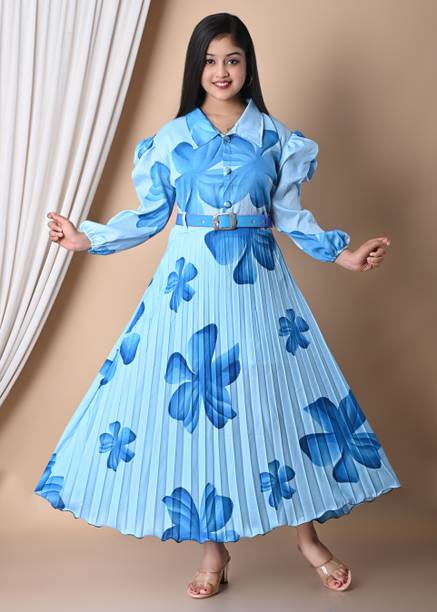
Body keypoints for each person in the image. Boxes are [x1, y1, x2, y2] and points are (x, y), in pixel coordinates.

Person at [41, 12, 400, 600]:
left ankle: (308, 540)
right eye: (210, 60)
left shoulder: (277, 139)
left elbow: (290, 216)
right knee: (200, 412)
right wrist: (88, 237)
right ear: (197, 68)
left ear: (248, 65)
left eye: (232, 59)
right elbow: (150, 216)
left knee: (277, 400)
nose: (221, 71)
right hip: (190, 285)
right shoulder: (171, 140)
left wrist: (344, 255)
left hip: (258, 283)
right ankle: (214, 550)